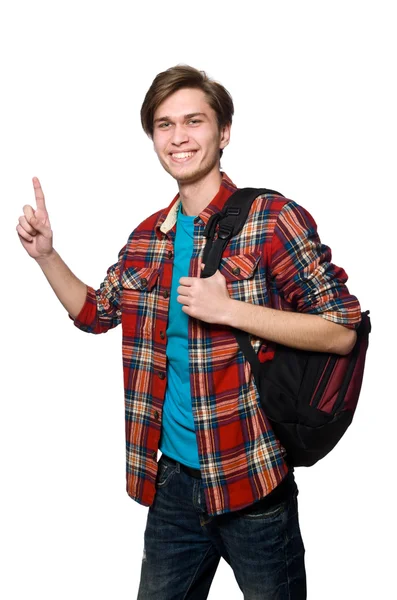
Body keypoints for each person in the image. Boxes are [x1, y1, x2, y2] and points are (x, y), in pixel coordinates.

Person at [17, 65, 361, 599]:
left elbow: (341, 330)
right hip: (172, 486)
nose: (178, 137)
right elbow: (95, 313)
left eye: (194, 121)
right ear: (153, 138)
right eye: (164, 124)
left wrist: (231, 311)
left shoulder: (270, 220)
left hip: (253, 482)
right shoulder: (148, 237)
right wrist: (46, 256)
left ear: (223, 133)